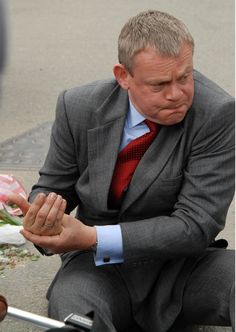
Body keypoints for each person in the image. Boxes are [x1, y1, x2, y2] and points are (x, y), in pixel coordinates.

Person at [8, 10, 235, 332]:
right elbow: (56, 186)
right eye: (159, 84)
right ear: (123, 76)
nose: (176, 93)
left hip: (184, 267)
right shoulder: (79, 106)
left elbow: (197, 225)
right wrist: (44, 216)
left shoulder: (217, 112)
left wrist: (90, 236)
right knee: (74, 318)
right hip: (95, 268)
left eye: (184, 77)